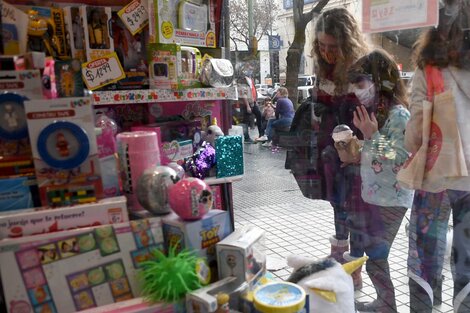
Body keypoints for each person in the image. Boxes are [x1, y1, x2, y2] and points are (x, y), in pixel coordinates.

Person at [296, 7, 369, 287]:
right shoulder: (322, 66)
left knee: (356, 209)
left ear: (347, 43)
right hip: (330, 148)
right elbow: (320, 104)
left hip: (356, 151)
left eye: (333, 47)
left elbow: (368, 115)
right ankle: (340, 258)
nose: (326, 52)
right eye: (322, 46)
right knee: (338, 205)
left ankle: (355, 266)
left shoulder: (362, 70)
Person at [405, 2, 470, 312]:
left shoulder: (428, 68)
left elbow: (416, 133)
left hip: (437, 174)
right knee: (467, 256)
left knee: (427, 254)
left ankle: (426, 306)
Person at [347, 49, 414, 312]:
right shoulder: (381, 112)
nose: (358, 90)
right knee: (375, 254)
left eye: (361, 84)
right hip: (378, 195)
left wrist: (371, 136)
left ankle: (387, 306)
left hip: (392, 199)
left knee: (376, 256)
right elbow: (378, 154)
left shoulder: (400, 115)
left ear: (380, 81)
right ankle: (384, 303)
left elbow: (399, 158)